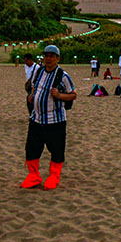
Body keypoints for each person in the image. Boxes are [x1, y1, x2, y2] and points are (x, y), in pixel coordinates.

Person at [21, 45, 76, 190]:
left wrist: (59, 95)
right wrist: (32, 95)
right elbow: (34, 86)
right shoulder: (39, 71)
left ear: (58, 58)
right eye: (46, 55)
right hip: (36, 119)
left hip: (55, 120)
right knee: (31, 149)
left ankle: (53, 177)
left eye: (52, 56)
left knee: (57, 150)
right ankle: (33, 176)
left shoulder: (63, 76)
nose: (48, 58)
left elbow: (73, 94)